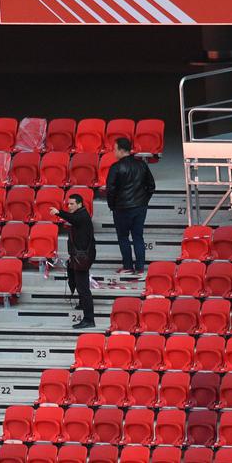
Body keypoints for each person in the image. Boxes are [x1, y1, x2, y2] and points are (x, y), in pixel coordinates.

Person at [104, 136, 155, 275]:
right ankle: (139, 268)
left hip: (122, 208)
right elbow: (151, 186)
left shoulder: (116, 167)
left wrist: (112, 205)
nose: (114, 152)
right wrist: (144, 201)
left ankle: (127, 266)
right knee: (138, 237)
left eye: (115, 149)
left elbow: (110, 189)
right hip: (140, 207)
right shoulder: (142, 165)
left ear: (121, 150)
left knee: (123, 237)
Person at [50, 193, 97, 329]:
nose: (69, 206)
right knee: (74, 279)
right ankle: (82, 303)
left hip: (82, 258)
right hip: (77, 256)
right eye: (68, 204)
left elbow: (73, 219)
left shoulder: (82, 216)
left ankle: (89, 319)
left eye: (72, 204)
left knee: (83, 289)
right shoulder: (80, 215)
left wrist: (59, 212)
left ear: (80, 204)